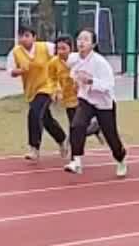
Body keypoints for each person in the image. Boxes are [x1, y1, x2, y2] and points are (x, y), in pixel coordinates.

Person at [64, 29, 127, 177]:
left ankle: (121, 159)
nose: (81, 42)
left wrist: (91, 81)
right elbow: (73, 73)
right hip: (86, 99)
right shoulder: (73, 59)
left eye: (86, 39)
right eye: (79, 39)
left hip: (104, 103)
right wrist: (76, 82)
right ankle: (76, 161)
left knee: (111, 135)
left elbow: (109, 85)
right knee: (77, 125)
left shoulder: (100, 63)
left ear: (93, 44)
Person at [8, 27, 66, 160]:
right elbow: (11, 71)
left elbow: (61, 56)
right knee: (45, 119)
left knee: (34, 113)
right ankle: (62, 139)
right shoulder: (15, 52)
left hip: (47, 86)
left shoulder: (46, 47)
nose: (23, 39)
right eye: (21, 36)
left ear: (34, 37)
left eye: (27, 35)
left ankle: (34, 148)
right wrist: (20, 71)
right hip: (31, 90)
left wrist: (59, 86)